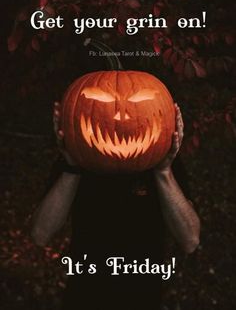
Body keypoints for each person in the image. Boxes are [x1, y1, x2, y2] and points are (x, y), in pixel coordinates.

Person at [31, 102, 200, 310]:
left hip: (143, 298)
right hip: (84, 297)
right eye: (103, 105)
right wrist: (71, 168)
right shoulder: (79, 155)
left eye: (138, 105)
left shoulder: (161, 158)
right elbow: (40, 233)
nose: (120, 117)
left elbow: (190, 240)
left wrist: (163, 172)